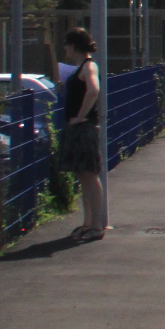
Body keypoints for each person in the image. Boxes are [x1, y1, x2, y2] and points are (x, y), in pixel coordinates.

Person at [62, 28, 109, 241]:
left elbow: (93, 89)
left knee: (90, 174)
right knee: (84, 176)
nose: (65, 48)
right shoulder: (81, 67)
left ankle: (97, 226)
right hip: (78, 128)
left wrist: (81, 116)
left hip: (84, 128)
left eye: (66, 44)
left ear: (73, 46)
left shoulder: (89, 66)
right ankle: (88, 222)